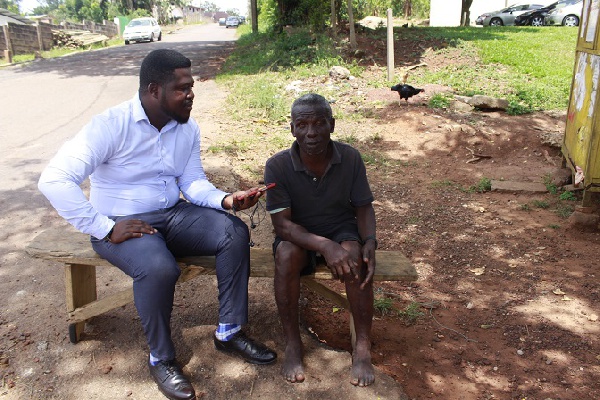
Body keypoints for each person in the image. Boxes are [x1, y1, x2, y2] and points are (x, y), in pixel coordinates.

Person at [38, 49, 276, 400]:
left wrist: (226, 200)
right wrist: (103, 227)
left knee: (233, 231)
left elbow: (192, 182)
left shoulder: (187, 128)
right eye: (182, 88)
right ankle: (161, 358)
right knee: (159, 267)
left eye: (191, 87)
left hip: (172, 214)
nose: (191, 94)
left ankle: (229, 331)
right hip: (121, 224)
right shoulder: (110, 125)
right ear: (154, 90)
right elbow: (54, 179)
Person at [264, 93, 376, 387]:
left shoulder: (349, 158)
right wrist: (325, 246)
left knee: (355, 257)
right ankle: (292, 343)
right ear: (292, 129)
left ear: (332, 125)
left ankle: (362, 347)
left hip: (340, 227)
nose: (311, 133)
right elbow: (283, 226)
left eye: (319, 123)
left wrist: (370, 242)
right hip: (298, 234)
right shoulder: (277, 166)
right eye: (302, 124)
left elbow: (363, 206)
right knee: (286, 255)